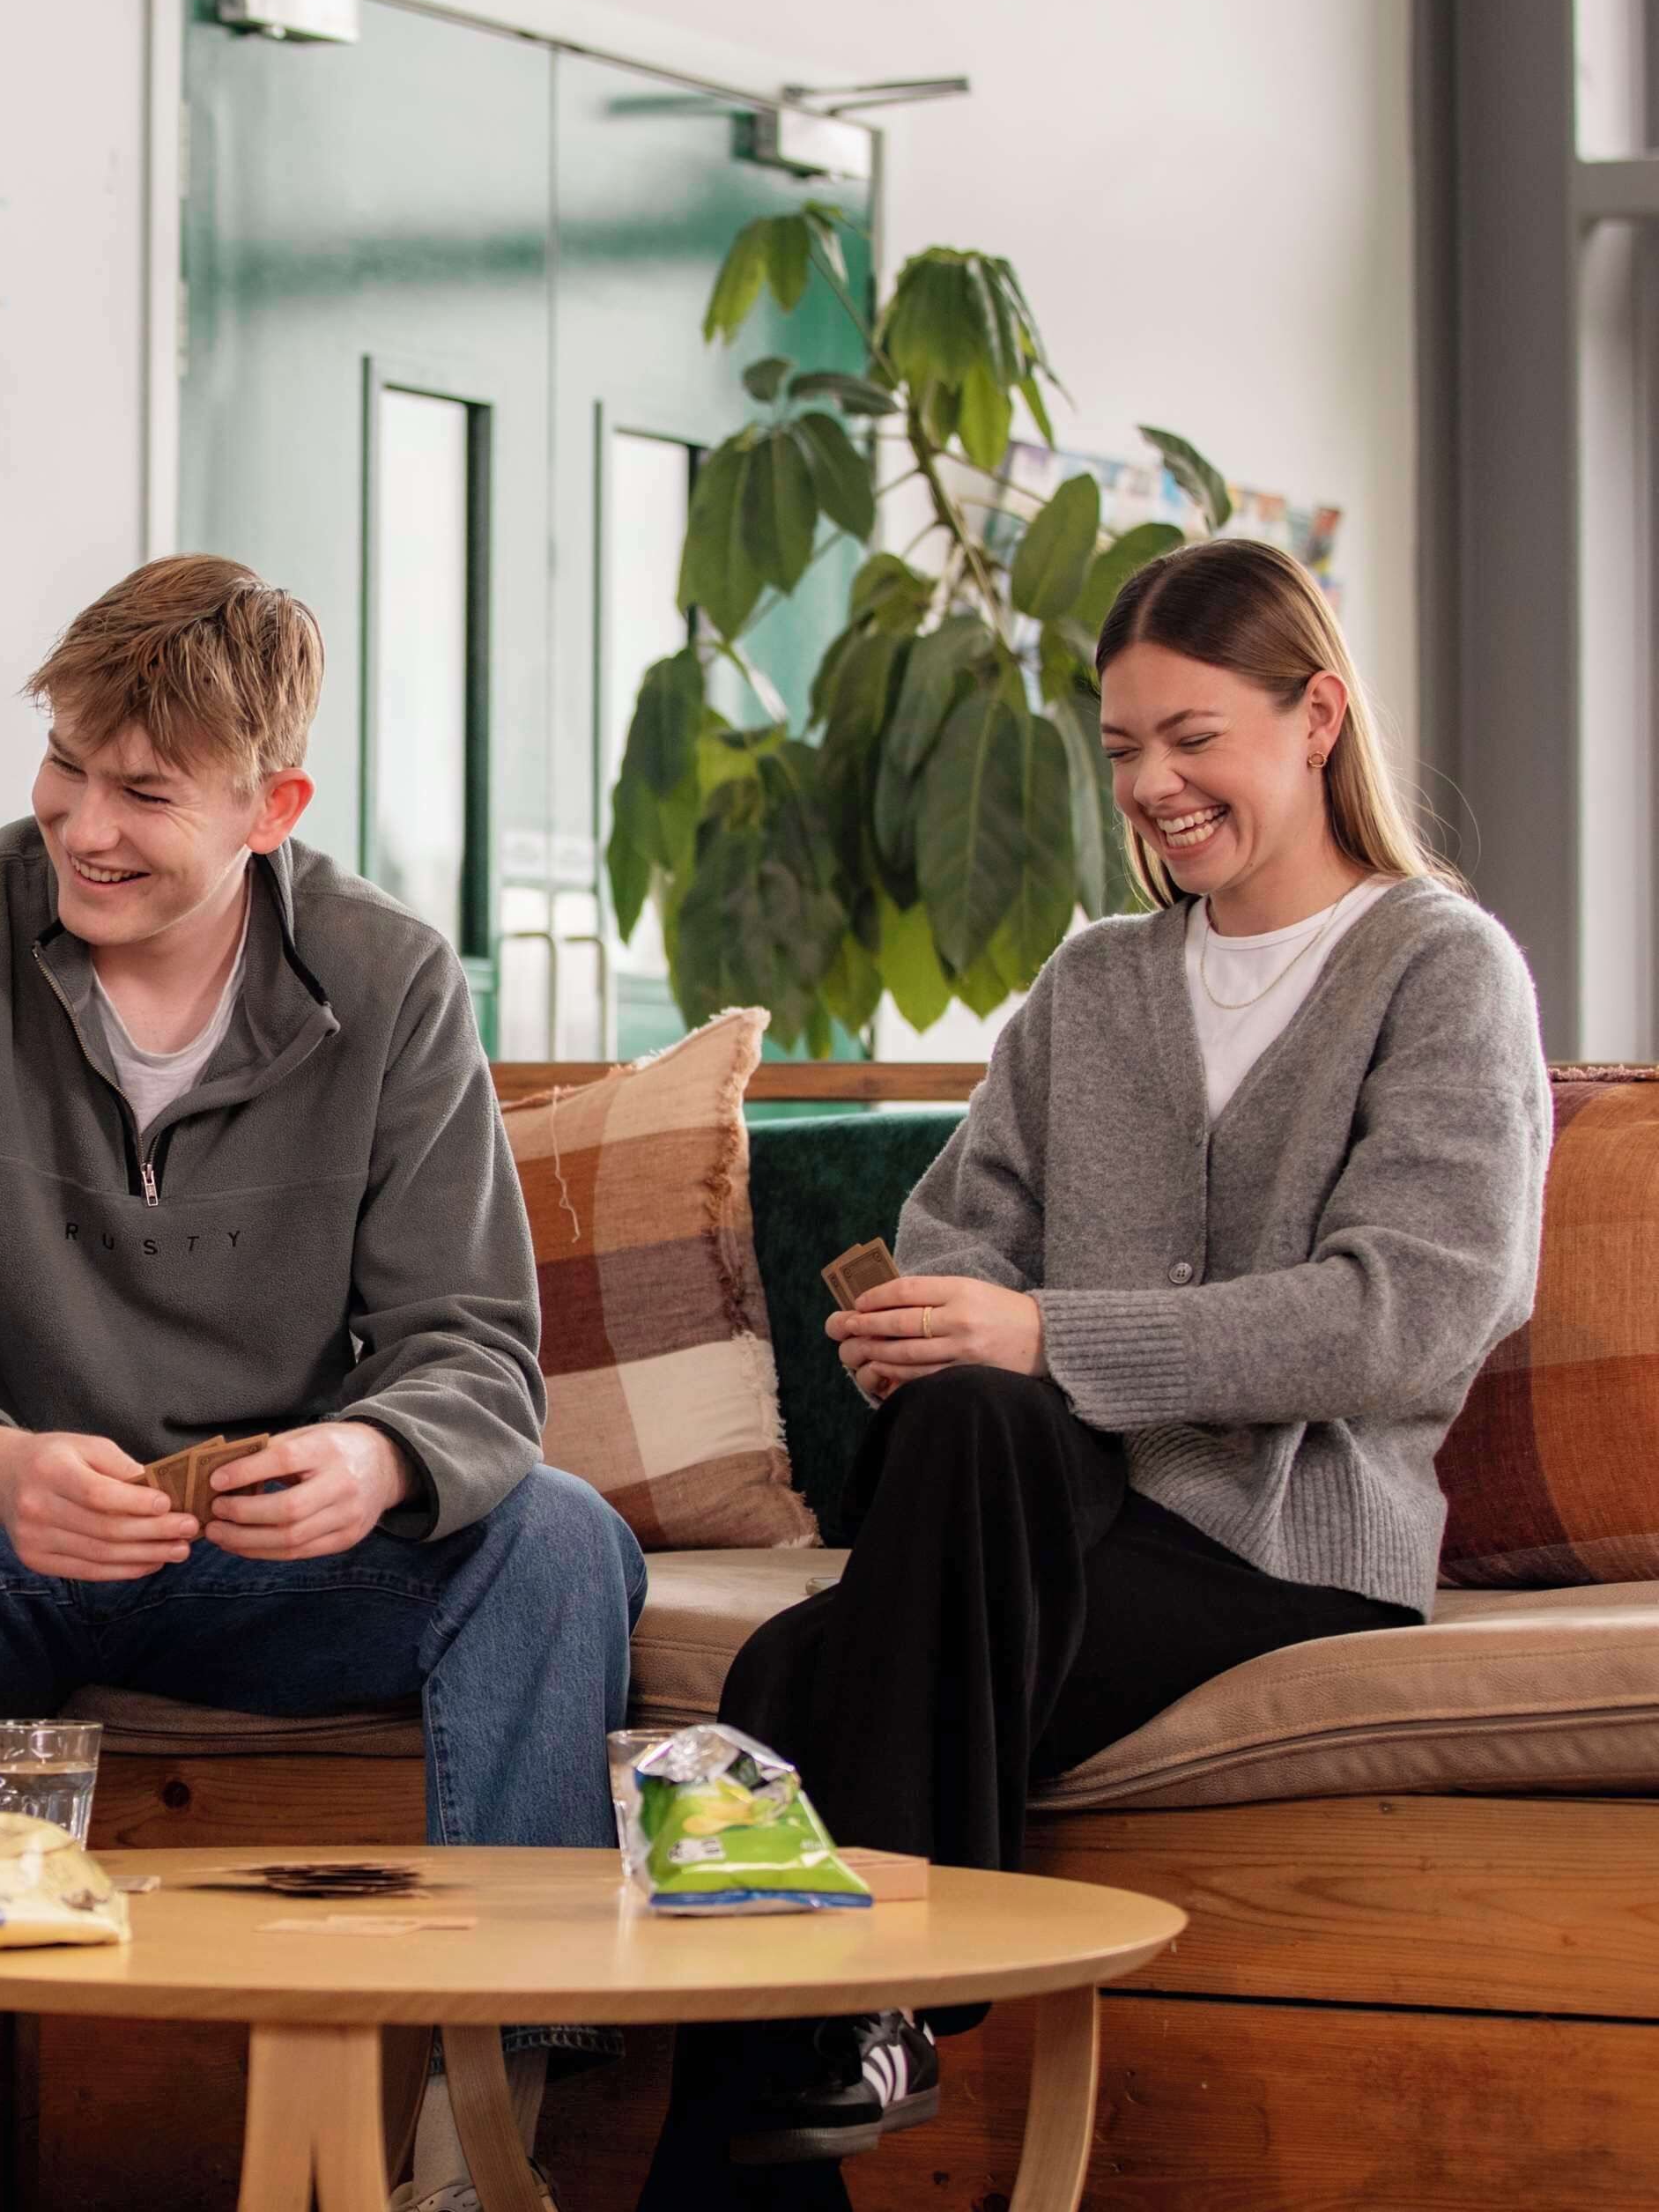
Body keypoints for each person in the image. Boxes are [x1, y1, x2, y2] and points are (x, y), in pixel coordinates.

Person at [0, 553, 650, 2177]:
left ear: (271, 806)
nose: (84, 825)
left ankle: (483, 2132)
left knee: (562, 1540)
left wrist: (376, 1461)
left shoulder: (395, 981)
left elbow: (474, 1351)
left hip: (277, 1570)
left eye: (144, 792)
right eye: (66, 765)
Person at [634, 536, 1550, 2207]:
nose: (1153, 786)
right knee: (969, 1411)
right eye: (1125, 749)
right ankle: (871, 2015)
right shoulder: (1091, 984)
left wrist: (1050, 1332)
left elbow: (1404, 1316)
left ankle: (865, 2010)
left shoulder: (1442, 971)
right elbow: (964, 1230)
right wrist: (947, 1319)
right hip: (1041, 1505)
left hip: (1285, 1546)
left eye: (1193, 738)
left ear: (1318, 716)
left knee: (786, 1691)